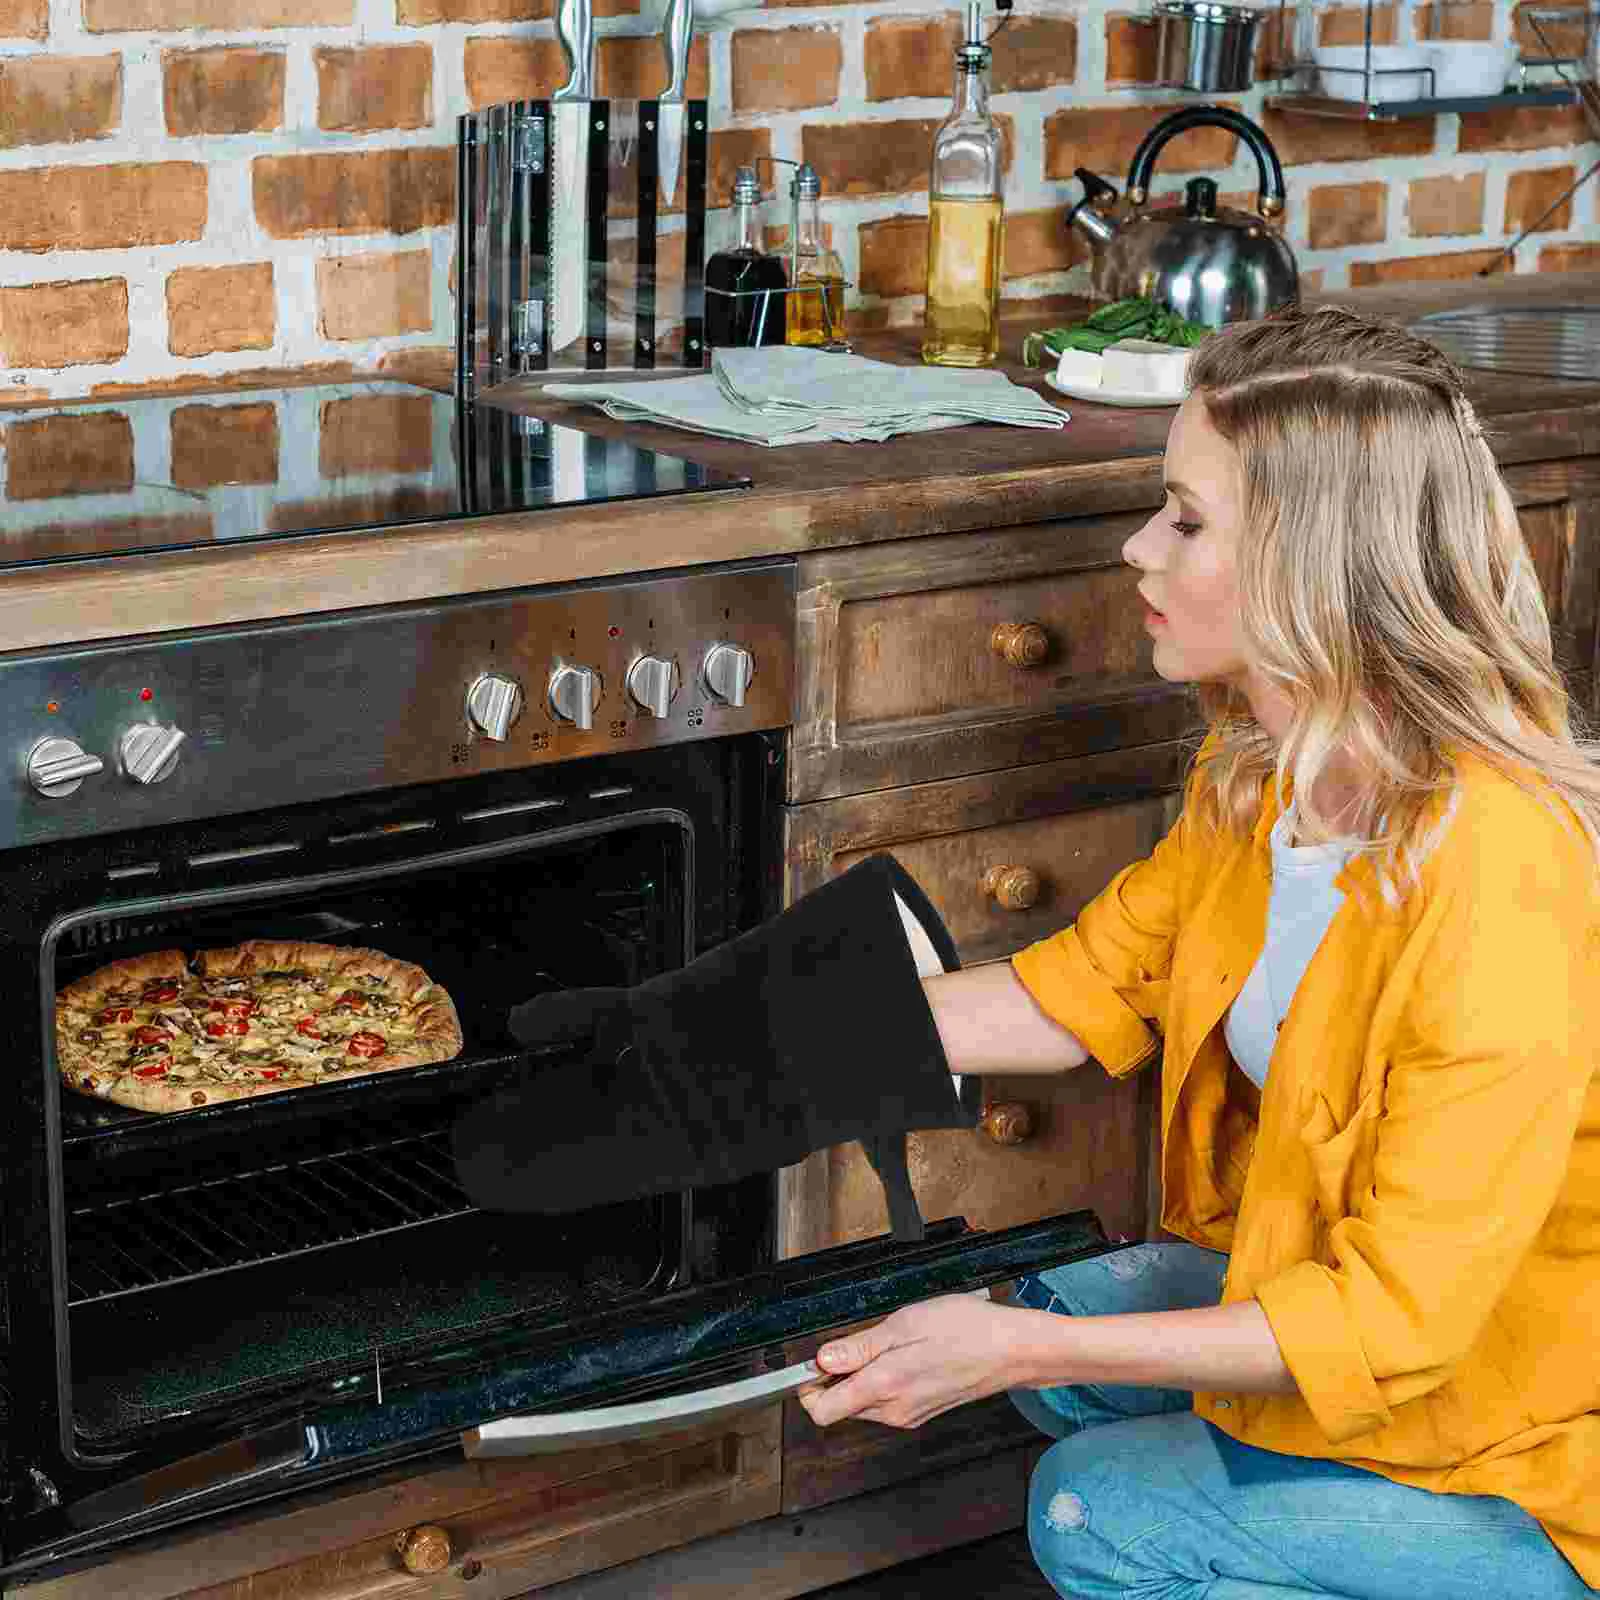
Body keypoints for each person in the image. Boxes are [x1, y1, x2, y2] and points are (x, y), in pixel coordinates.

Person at [794, 305, 1600, 1599]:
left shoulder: (1499, 868)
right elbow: (1078, 991)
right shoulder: (1266, 783)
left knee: (1090, 1507)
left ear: (1311, 565)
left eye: (1185, 520)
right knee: (1053, 1318)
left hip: (1519, 1437)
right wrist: (755, 1041)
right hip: (1385, 1329)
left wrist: (1004, 1351)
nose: (1138, 548)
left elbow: (1394, 1322)